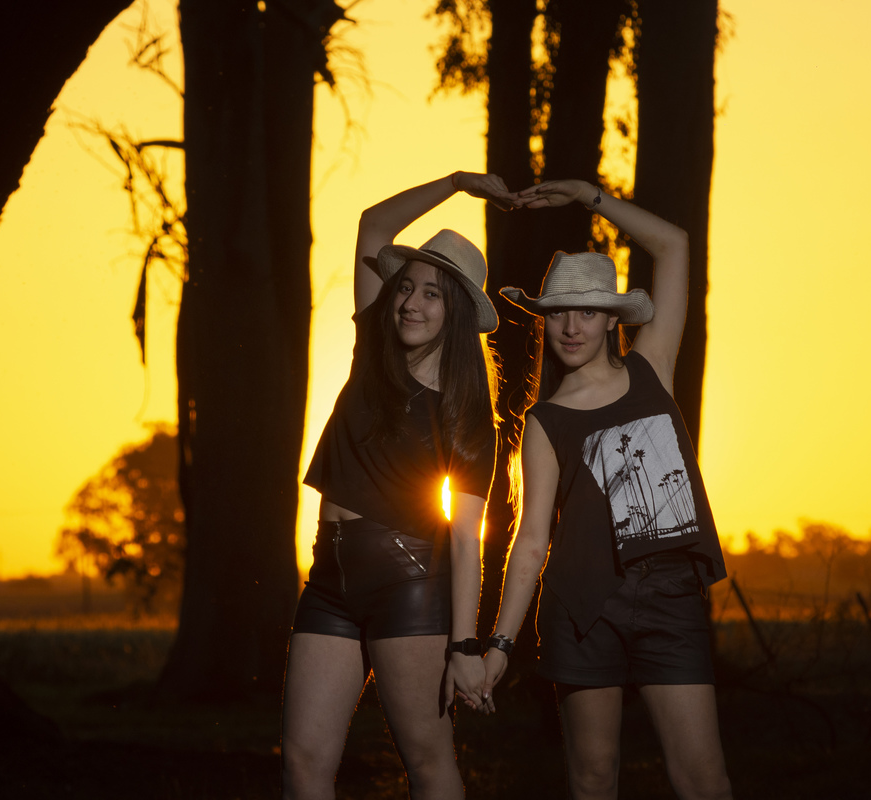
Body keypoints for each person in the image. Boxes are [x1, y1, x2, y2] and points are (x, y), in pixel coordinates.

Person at [482, 179, 732, 800]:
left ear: (613, 317)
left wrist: (587, 197)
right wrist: (500, 645)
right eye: (559, 311)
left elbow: (673, 245)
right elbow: (531, 539)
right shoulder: (544, 422)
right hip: (581, 608)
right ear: (543, 319)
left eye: (588, 310)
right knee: (593, 779)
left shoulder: (653, 367)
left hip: (669, 597)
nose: (571, 326)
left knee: (703, 779)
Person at [281, 172, 510, 800]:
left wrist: (466, 644)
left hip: (410, 583)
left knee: (428, 764)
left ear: (456, 310)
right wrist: (459, 183)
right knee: (302, 764)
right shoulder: (370, 346)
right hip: (328, 578)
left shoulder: (466, 414)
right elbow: (373, 227)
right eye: (405, 286)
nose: (410, 302)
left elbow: (468, 540)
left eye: (432, 294)